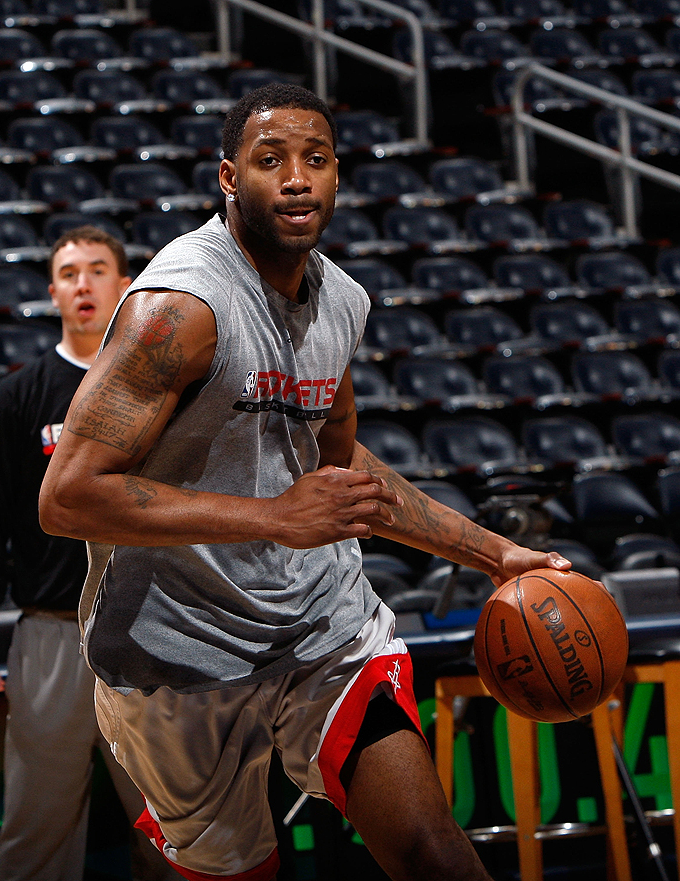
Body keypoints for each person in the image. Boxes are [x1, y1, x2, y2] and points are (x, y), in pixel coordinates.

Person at [39, 86, 571, 881]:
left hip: (320, 628)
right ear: (228, 177)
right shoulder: (178, 307)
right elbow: (68, 495)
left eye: (315, 160)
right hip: (175, 653)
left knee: (434, 850)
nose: (296, 179)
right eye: (270, 160)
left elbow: (339, 467)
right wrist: (273, 517)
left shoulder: (342, 302)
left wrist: (496, 554)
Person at [0, 226, 179, 881]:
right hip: (50, 633)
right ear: (52, 291)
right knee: (37, 833)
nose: (84, 283)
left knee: (176, 828)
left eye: (98, 269)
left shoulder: (161, 386)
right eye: (69, 272)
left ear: (126, 286)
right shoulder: (19, 396)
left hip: (148, 627)